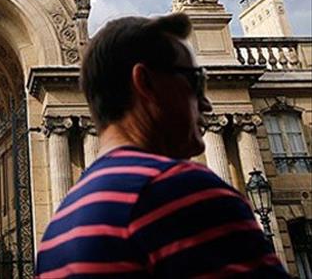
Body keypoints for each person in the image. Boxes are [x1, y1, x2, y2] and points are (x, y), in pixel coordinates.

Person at [36, 14, 288, 278]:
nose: (206, 103)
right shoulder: (178, 192)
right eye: (194, 81)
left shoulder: (56, 233)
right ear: (145, 82)